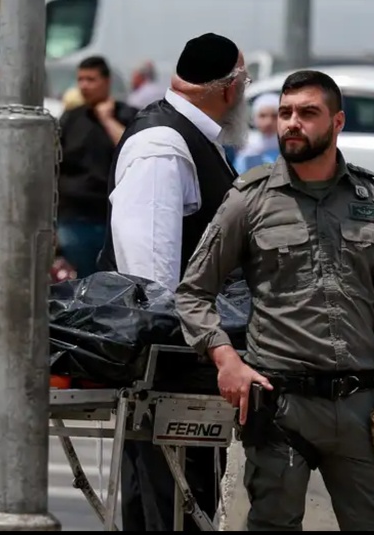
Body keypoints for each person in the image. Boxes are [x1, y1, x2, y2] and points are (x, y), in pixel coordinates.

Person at [175, 69, 374, 531]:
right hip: (281, 408)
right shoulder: (250, 199)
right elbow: (193, 292)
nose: (291, 123)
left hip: (360, 407)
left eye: (307, 113)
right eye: (285, 113)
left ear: (337, 122)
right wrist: (226, 358)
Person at [97, 33, 250, 530]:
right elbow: (151, 282)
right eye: (243, 82)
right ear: (227, 89)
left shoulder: (192, 137)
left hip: (190, 371)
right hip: (168, 374)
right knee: (169, 510)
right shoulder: (162, 144)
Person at [58, 55, 138, 279]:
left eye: (91, 79)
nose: (84, 85)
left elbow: (131, 150)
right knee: (82, 280)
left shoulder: (125, 114)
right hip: (74, 217)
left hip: (110, 218)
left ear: (106, 81)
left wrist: (106, 119)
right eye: (80, 79)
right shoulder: (71, 119)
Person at [233, 92, 280, 173]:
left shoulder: (289, 146)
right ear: (254, 118)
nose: (268, 122)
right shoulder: (247, 150)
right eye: (262, 116)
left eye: (274, 116)